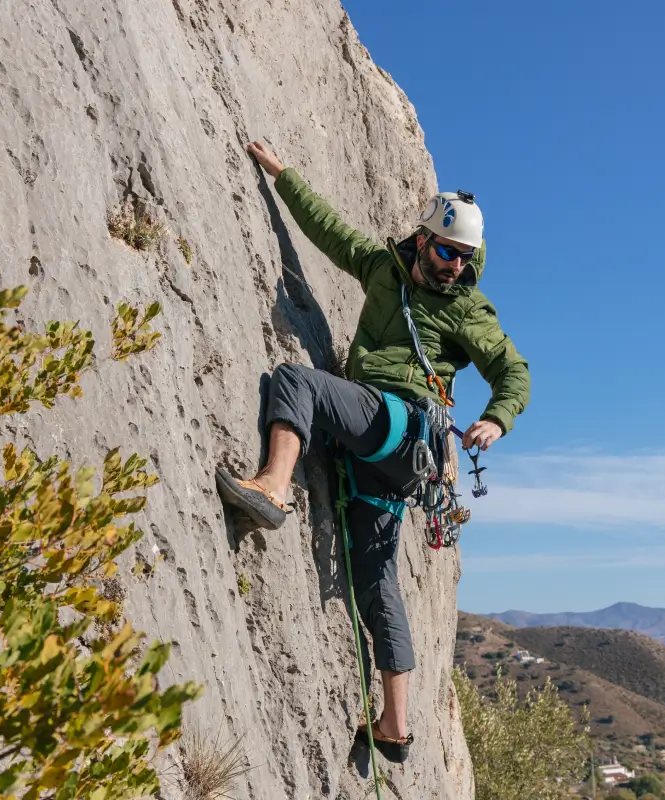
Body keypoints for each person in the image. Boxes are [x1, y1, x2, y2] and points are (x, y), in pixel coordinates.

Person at [216, 140, 531, 763]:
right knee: (375, 578)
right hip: (385, 457)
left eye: (464, 259)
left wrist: (497, 419)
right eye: (446, 253)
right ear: (423, 239)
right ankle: (394, 724)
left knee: (298, 382)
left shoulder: (467, 309)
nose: (454, 268)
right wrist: (283, 175)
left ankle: (272, 488)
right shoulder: (383, 267)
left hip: (401, 425)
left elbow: (513, 372)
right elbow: (330, 232)